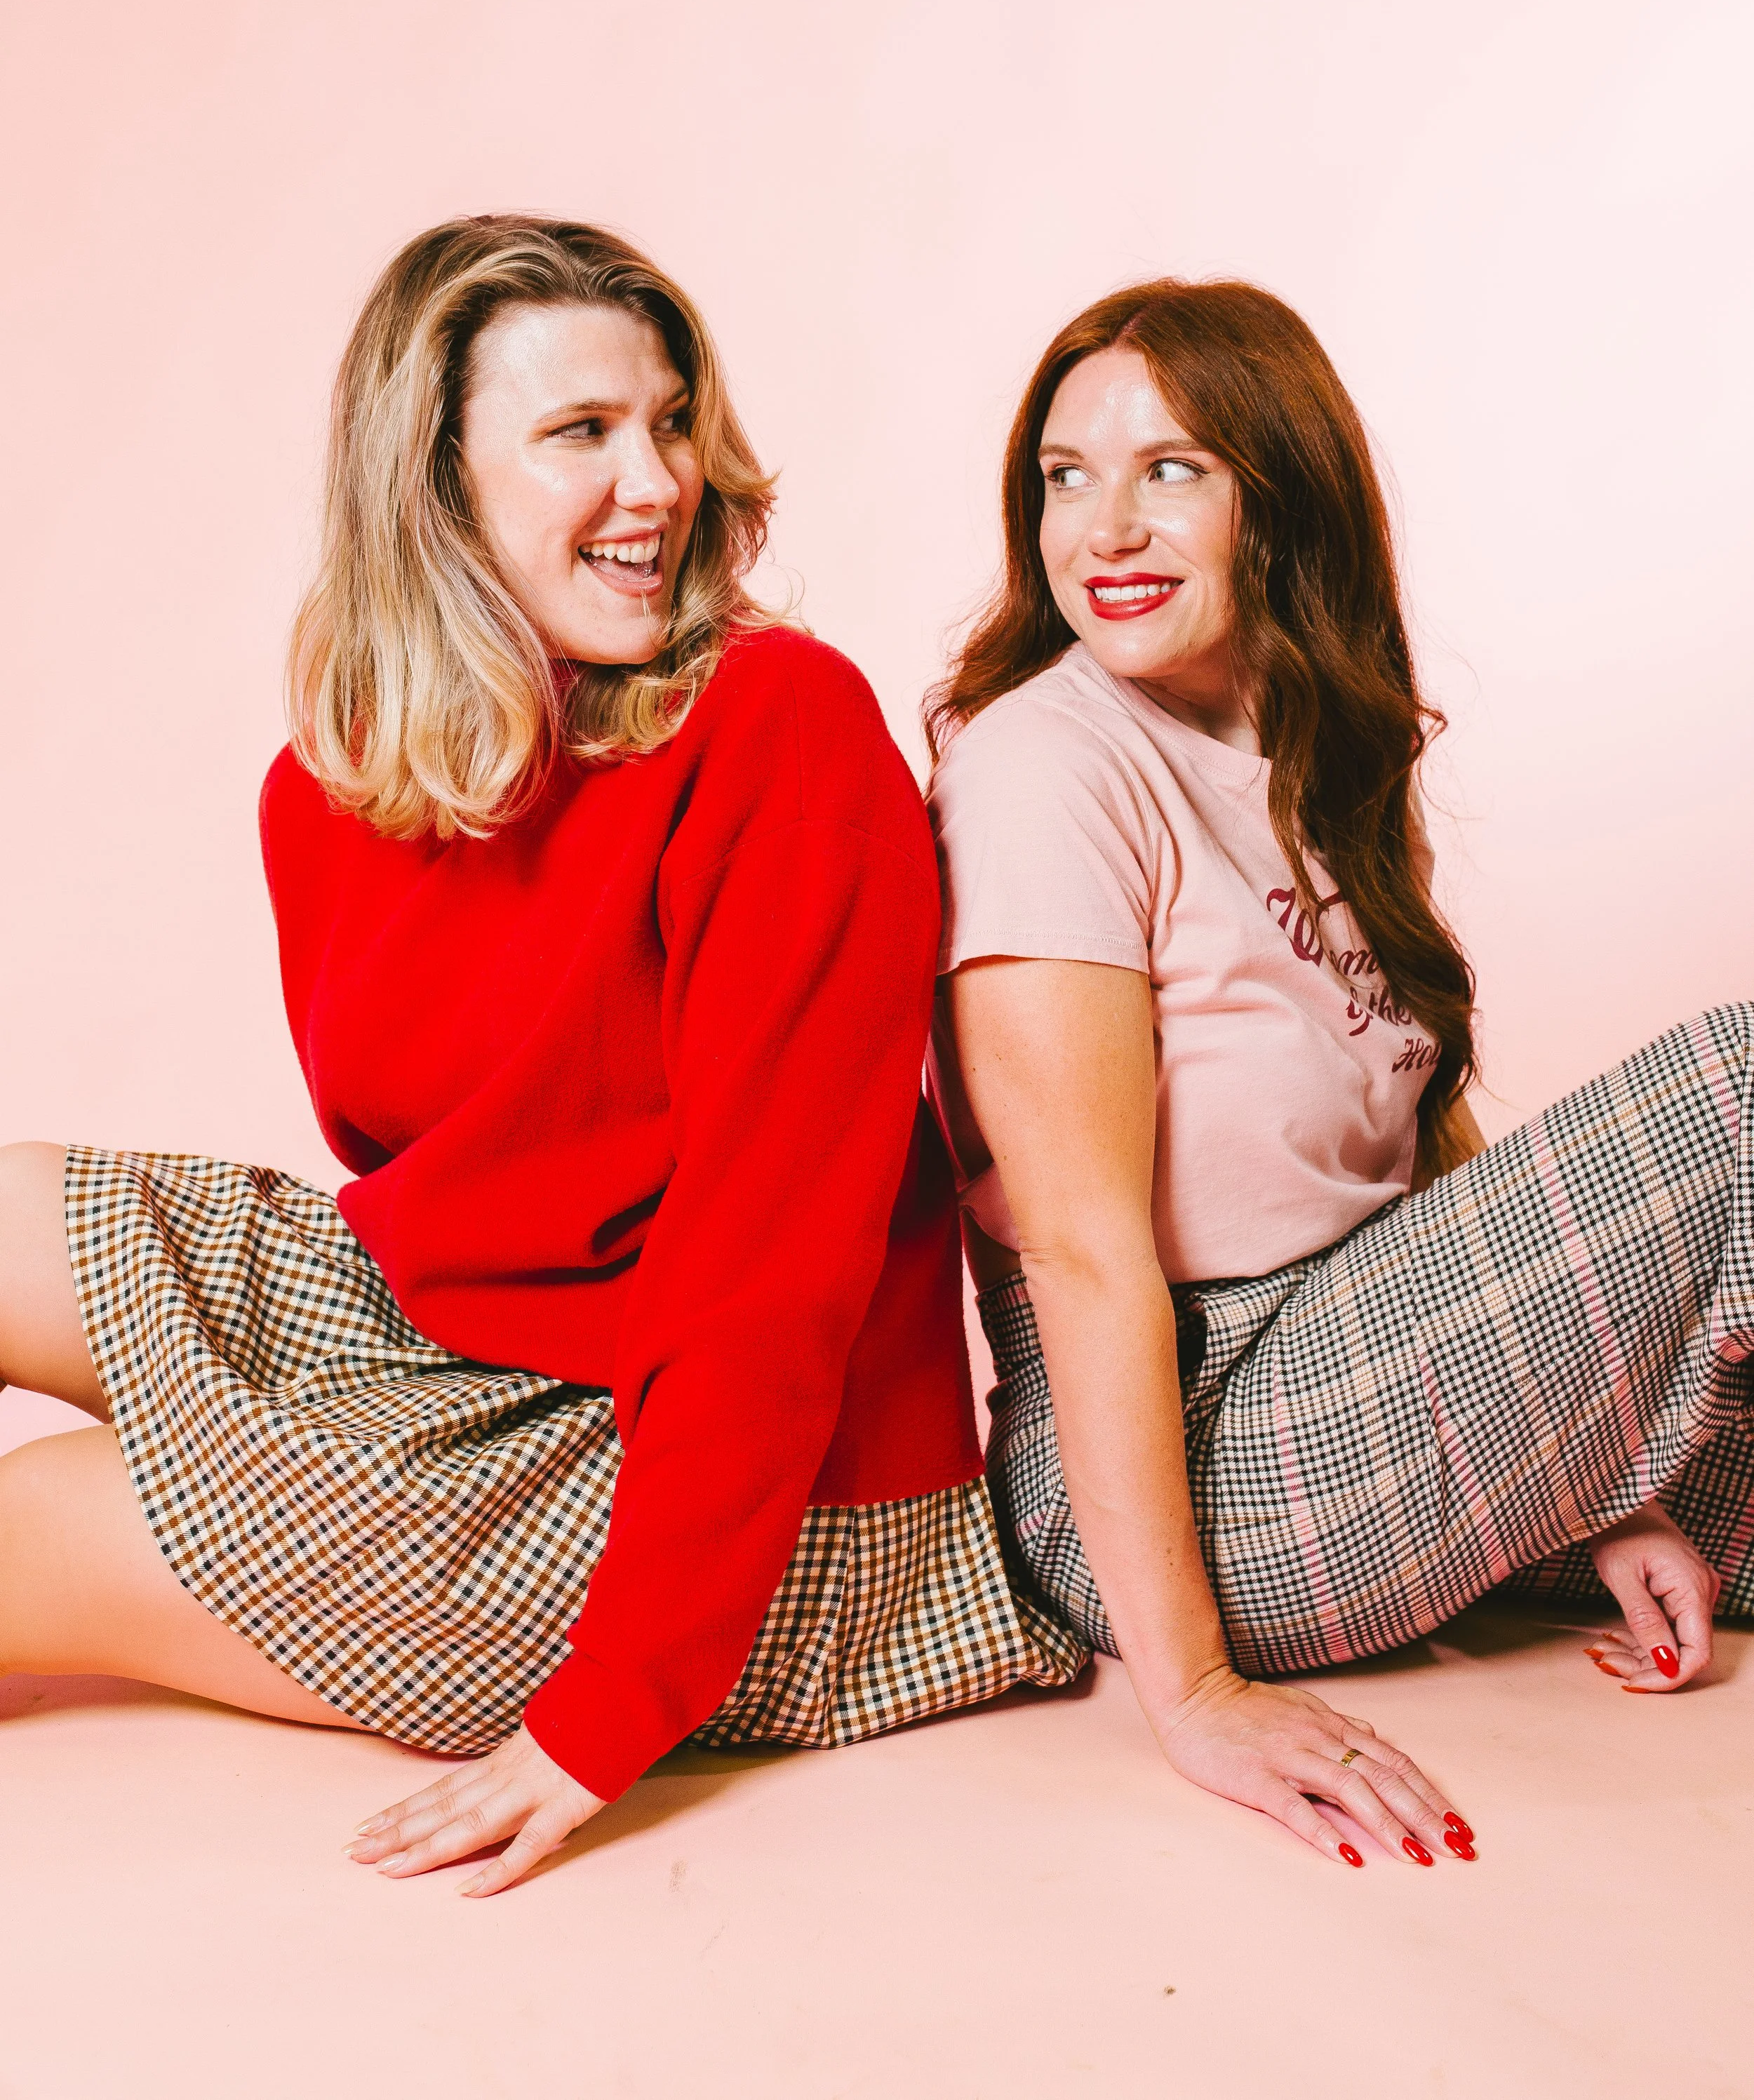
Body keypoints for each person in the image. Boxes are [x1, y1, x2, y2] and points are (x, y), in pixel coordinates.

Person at [0, 215, 1081, 1895]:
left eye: (665, 422)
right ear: (429, 490)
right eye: (580, 435)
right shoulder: (331, 789)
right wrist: (306, 1384)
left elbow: (766, 1279)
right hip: (482, 1348)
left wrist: (600, 1716)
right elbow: (438, 1184)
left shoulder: (776, 728)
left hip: (767, 1510)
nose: (654, 485)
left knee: (30, 1536)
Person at [925, 276, 1752, 1873]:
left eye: (1171, 469)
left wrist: (1600, 1482)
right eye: (1063, 474)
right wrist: (1192, 1695)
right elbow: (1086, 1256)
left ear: (1275, 498)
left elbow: (1426, 1165)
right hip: (1206, 1450)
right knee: (1739, 1082)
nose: (1105, 523)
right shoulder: (1043, 767)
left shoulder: (1315, 756)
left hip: (1373, 1376)